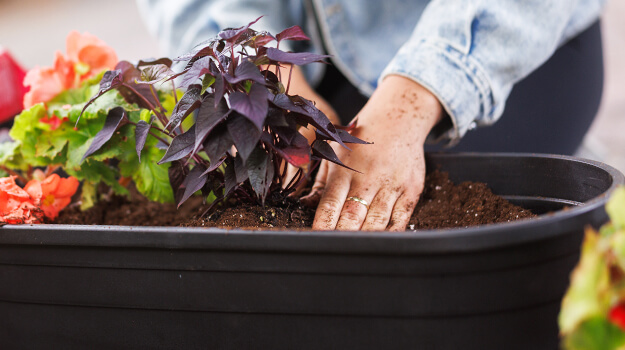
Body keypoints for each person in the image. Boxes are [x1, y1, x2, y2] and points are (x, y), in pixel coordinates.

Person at [137, 0, 606, 231]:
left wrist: (417, 96)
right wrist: (266, 81)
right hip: (316, 50)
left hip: (501, 29)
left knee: (469, 206)